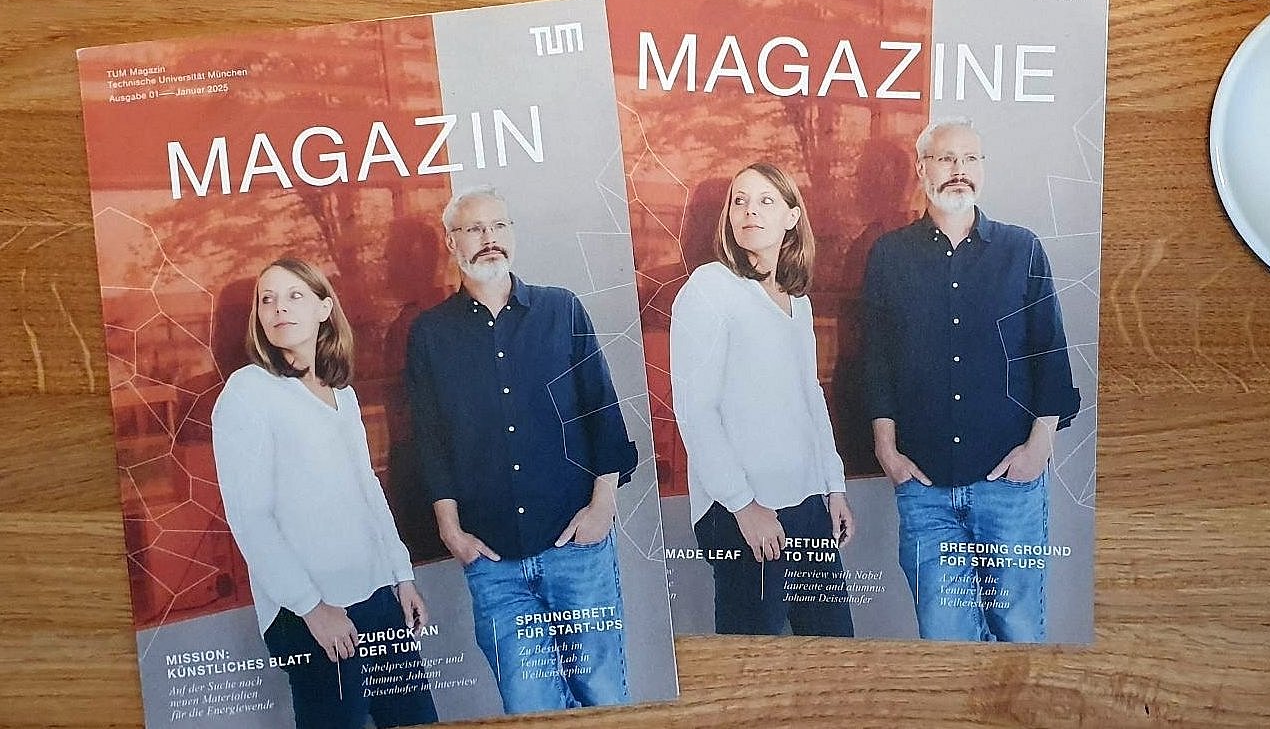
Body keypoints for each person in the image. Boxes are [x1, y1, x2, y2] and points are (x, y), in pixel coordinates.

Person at [405, 185, 638, 713]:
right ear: (452, 243)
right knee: (530, 706)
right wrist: (451, 531)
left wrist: (602, 508)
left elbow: (602, 411)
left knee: (604, 698)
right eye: (475, 229)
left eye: (500, 227)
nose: (490, 239)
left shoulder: (562, 310)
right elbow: (430, 443)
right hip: (494, 561)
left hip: (576, 550)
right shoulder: (430, 335)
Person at [861, 117, 1082, 643]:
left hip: (1009, 486)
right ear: (922, 170)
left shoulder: (1020, 249)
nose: (958, 171)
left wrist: (1039, 449)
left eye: (970, 160)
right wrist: (887, 452)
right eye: (945, 159)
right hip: (925, 489)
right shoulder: (890, 256)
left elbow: (1048, 350)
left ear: (982, 170)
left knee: (1020, 632)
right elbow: (875, 360)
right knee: (944, 641)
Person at [211, 258, 438, 729]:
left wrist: (401, 575)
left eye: (294, 296)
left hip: (377, 596)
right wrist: (315, 611)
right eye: (267, 300)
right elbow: (251, 519)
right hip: (308, 611)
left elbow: (367, 488)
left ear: (323, 308)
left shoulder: (343, 393)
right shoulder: (247, 392)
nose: (278, 308)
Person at [669, 162, 856, 637]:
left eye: (765, 200)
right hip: (741, 512)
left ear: (792, 217)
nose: (750, 211)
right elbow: (696, 410)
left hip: (807, 503)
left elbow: (809, 397)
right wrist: (743, 506)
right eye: (739, 200)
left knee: (831, 655)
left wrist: (832, 489)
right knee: (756, 669)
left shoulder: (799, 300)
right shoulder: (710, 288)